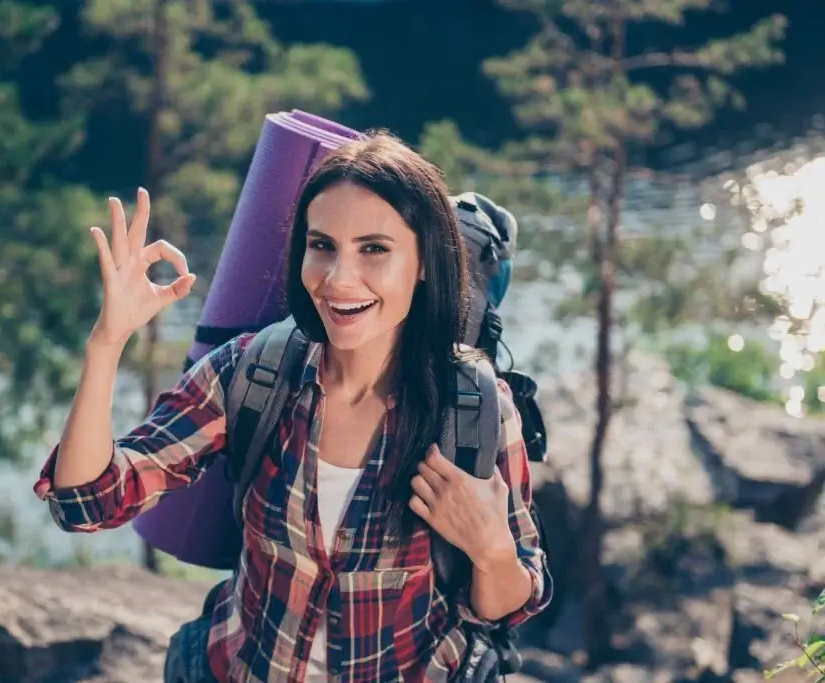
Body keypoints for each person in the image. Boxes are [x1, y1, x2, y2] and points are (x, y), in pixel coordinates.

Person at [33, 132, 552, 683]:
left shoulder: (473, 409)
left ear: (424, 261)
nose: (338, 278)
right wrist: (107, 342)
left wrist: (492, 549)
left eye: (373, 248)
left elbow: (512, 602)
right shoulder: (254, 373)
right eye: (322, 245)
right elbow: (89, 503)